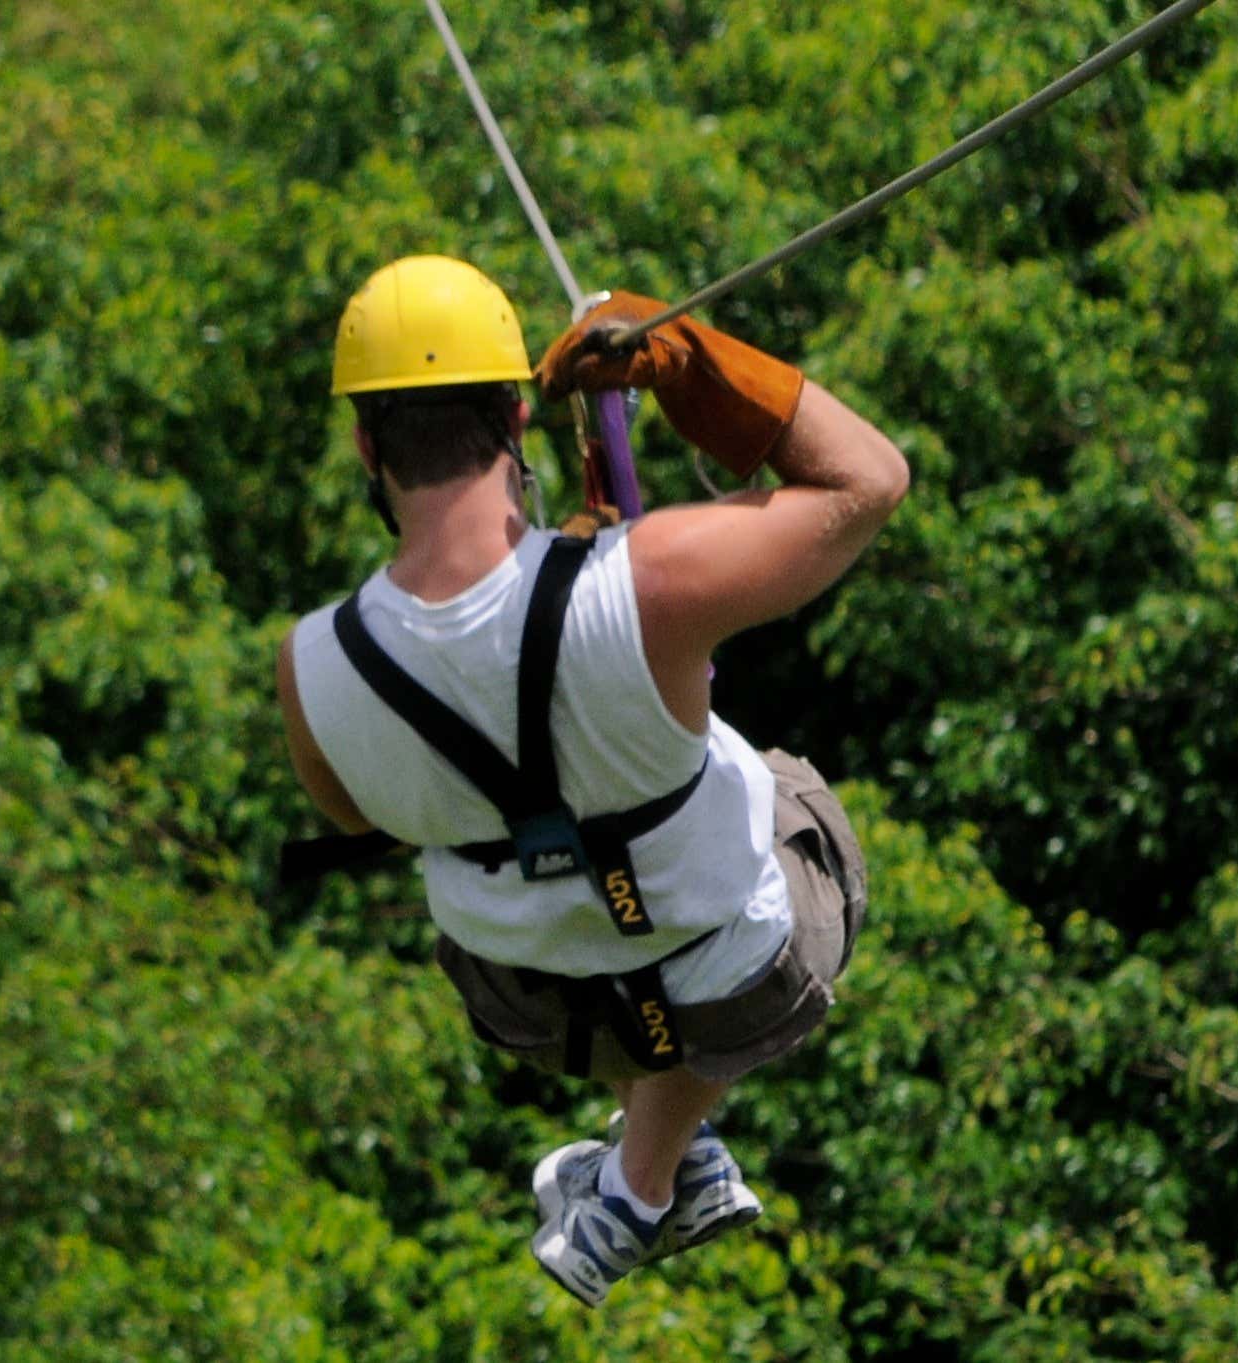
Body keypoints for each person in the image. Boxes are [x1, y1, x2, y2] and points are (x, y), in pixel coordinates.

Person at [269, 255, 907, 1307]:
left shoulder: (312, 666)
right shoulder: (651, 579)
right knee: (785, 791)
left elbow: (361, 814)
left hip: (540, 1010)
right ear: (517, 416)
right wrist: (694, 366)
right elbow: (867, 481)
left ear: (365, 446)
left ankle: (667, 1154)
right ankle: (642, 1177)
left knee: (536, 861)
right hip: (737, 989)